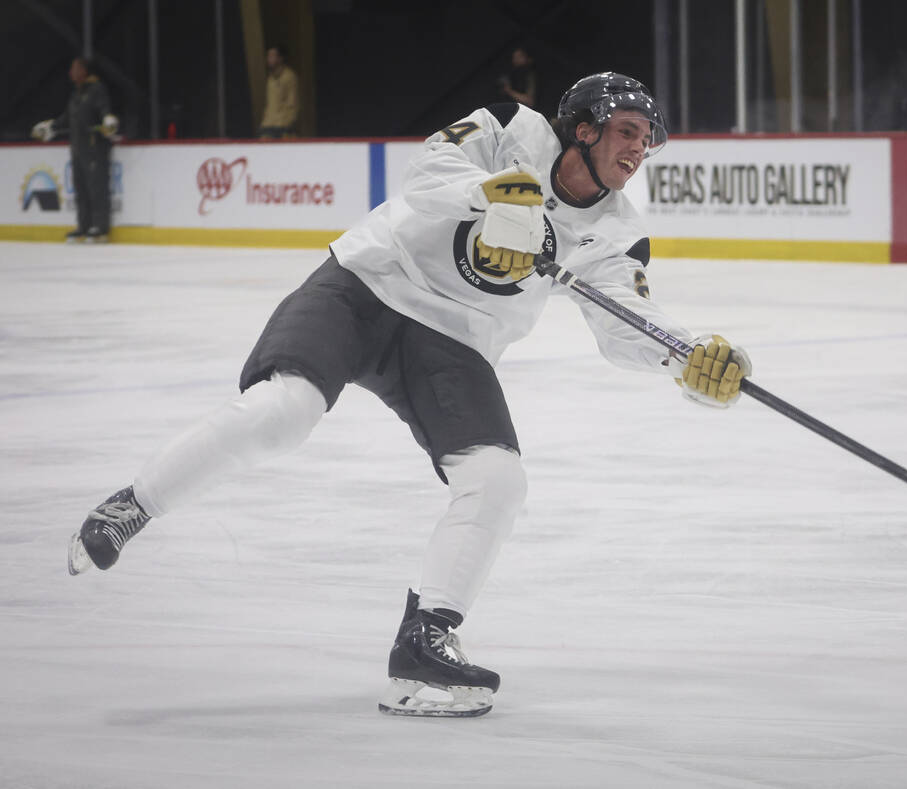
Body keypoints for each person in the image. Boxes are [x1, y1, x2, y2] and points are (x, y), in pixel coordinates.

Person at [67, 72, 751, 718]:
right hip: (366, 283)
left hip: (452, 340)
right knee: (285, 411)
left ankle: (424, 639)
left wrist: (687, 356)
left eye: (645, 137)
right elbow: (429, 169)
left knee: (497, 479)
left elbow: (624, 318)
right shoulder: (514, 127)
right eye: (626, 130)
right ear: (582, 127)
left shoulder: (617, 231)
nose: (638, 148)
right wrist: (496, 193)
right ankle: (133, 503)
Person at [31, 56, 119, 243]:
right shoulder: (77, 94)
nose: (71, 72)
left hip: (94, 146)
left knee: (96, 187)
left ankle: (100, 227)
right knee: (80, 187)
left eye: (75, 68)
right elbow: (67, 117)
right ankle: (84, 225)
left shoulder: (96, 90)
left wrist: (108, 119)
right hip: (77, 147)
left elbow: (105, 109)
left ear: (85, 71)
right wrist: (51, 126)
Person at [259, 44, 299, 138]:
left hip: (283, 127)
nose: (269, 59)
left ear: (280, 58)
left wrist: (286, 123)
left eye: (272, 56)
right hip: (268, 126)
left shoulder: (289, 77)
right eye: (268, 56)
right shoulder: (270, 79)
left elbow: (293, 104)